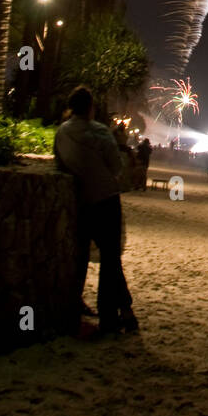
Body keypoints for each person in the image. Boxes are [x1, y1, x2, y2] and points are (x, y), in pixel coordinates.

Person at [54, 86, 138, 337]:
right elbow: (115, 168)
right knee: (110, 260)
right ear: (91, 107)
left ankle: (72, 310)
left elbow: (59, 161)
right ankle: (111, 316)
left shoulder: (62, 132)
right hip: (106, 200)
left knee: (80, 258)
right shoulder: (100, 132)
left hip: (81, 202)